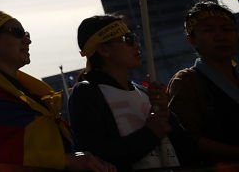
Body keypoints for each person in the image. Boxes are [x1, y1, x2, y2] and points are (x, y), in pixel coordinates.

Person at [0, 10, 112, 171]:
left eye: (26, 33)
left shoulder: (23, 89)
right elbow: (0, 155)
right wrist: (68, 160)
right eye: (17, 33)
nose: (27, 40)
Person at [69, 15, 193, 170]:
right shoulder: (86, 94)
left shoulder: (144, 92)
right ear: (104, 49)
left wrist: (165, 112)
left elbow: (186, 148)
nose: (136, 44)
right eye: (127, 39)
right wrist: (150, 133)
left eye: (134, 37)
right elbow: (97, 158)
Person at [168, 0, 239, 162]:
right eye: (208, 30)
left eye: (226, 29)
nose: (220, 36)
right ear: (191, 39)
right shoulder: (186, 81)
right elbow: (186, 137)